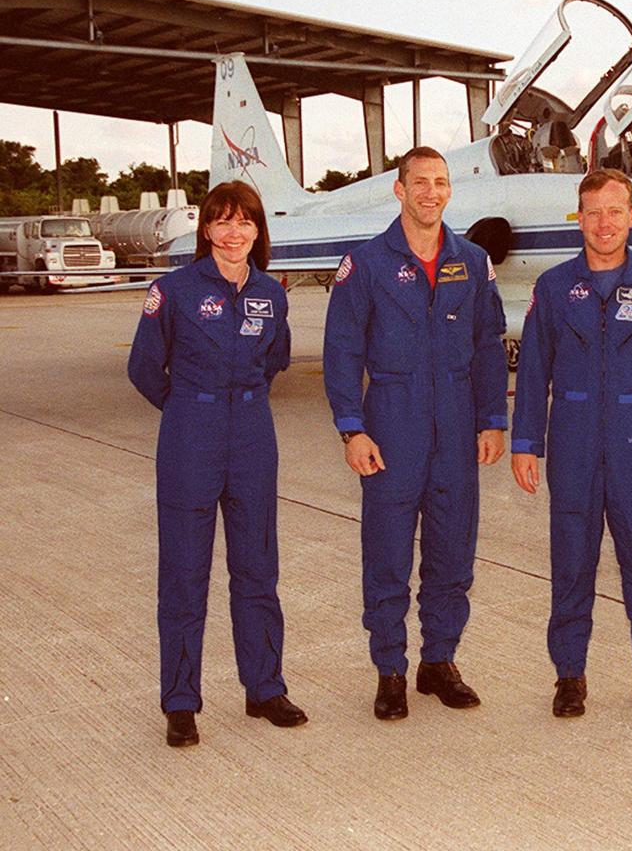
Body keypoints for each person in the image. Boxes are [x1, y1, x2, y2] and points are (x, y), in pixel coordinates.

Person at [323, 146, 508, 721]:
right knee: (387, 554)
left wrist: (492, 420)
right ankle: (391, 669)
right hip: (392, 426)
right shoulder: (367, 263)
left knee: (453, 553)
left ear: (450, 191)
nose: (431, 192)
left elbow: (488, 346)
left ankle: (439, 662)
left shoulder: (472, 262)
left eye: (441, 183)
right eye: (420, 182)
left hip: (456, 429)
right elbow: (342, 351)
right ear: (399, 190)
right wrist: (352, 429)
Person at [510, 169, 632, 718]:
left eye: (615, 211)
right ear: (580, 218)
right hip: (572, 437)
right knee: (571, 559)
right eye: (593, 212)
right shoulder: (552, 287)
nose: (604, 223)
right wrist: (527, 443)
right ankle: (569, 676)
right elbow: (534, 369)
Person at [128, 180, 306, 747]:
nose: (235, 233)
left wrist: (236, 402)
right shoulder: (173, 290)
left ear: (258, 230)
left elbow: (276, 358)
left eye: (245, 222)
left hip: (253, 433)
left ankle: (264, 688)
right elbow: (143, 368)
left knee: (257, 568)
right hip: (191, 435)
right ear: (206, 229)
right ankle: (181, 701)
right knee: (184, 573)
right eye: (223, 222)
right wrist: (187, 407)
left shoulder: (272, 294)